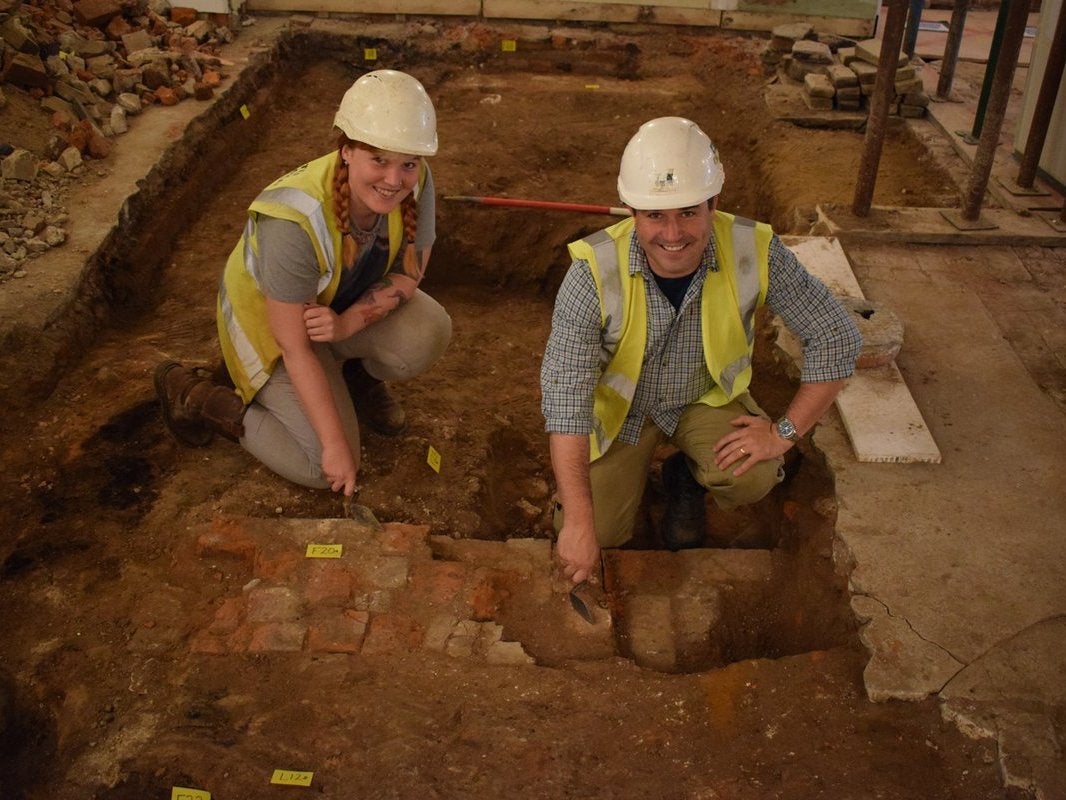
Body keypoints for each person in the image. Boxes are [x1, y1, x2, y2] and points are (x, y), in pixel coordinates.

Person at [541, 116, 862, 585]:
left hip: (704, 398)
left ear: (714, 204)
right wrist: (579, 522)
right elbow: (565, 400)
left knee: (751, 475)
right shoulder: (593, 271)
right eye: (655, 215)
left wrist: (784, 433)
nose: (673, 233)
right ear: (631, 212)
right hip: (621, 412)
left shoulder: (754, 248)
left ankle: (686, 480)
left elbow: (837, 337)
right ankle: (617, 496)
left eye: (689, 212)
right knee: (597, 529)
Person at [154, 69, 451, 498]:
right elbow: (295, 346)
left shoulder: (416, 182)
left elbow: (411, 271)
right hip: (273, 336)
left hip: (332, 316)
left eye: (407, 163)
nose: (394, 180)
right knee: (319, 467)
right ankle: (196, 396)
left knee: (428, 329)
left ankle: (352, 377)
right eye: (379, 160)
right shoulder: (293, 219)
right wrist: (334, 447)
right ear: (347, 150)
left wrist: (347, 325)